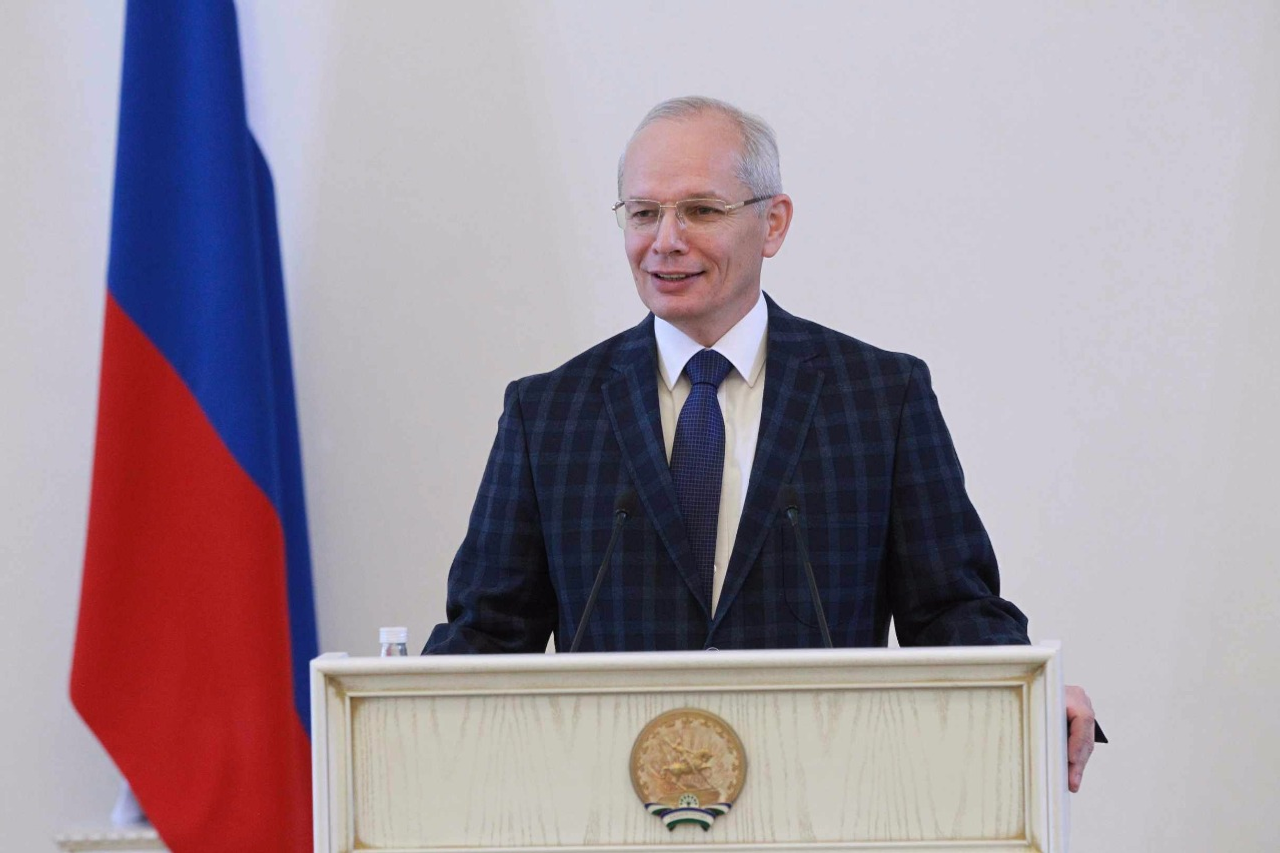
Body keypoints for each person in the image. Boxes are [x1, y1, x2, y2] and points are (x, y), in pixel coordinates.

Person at [425, 96, 1097, 790]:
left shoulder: (879, 397)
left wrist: (1032, 694)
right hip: (611, 799)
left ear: (772, 223)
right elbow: (488, 632)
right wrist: (399, 721)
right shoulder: (548, 412)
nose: (665, 241)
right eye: (644, 213)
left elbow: (950, 610)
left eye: (700, 210)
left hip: (823, 792)